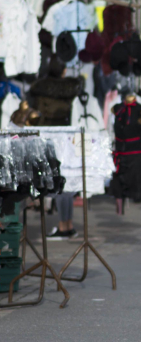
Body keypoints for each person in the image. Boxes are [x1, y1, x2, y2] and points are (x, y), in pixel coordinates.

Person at [29, 57, 82, 239]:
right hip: (66, 138)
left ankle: (62, 225)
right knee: (65, 181)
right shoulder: (71, 90)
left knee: (53, 183)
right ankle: (67, 224)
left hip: (46, 139)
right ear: (63, 71)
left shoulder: (38, 89)